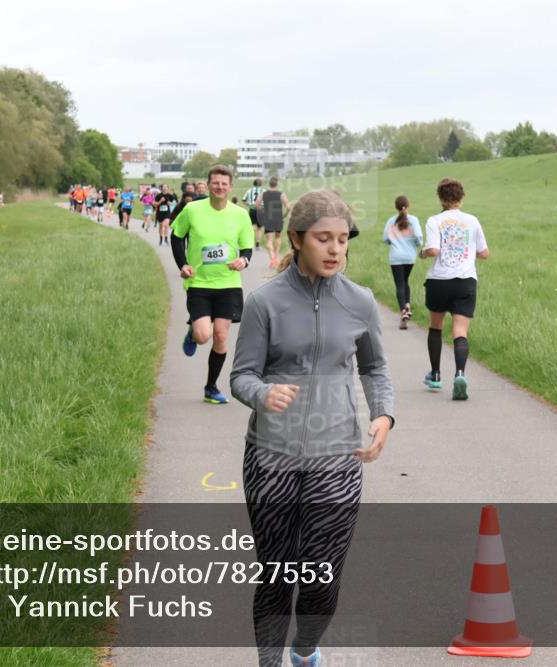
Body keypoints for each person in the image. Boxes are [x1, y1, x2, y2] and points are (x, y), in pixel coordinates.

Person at [230, 189, 395, 667]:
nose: (335, 249)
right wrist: (263, 394)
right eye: (324, 238)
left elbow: (375, 368)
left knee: (322, 578)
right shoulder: (264, 302)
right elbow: (241, 376)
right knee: (277, 575)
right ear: (297, 239)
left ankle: (304, 650)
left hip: (337, 457)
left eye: (342, 239)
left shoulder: (360, 302)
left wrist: (383, 414)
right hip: (271, 458)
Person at [171, 165, 253, 404]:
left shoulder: (240, 215)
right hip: (199, 282)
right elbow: (177, 237)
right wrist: (183, 264)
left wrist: (243, 260)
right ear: (208, 185)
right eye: (215, 183)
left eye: (224, 184)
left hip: (228, 283)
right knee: (203, 335)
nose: (219, 187)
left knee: (220, 335)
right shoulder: (192, 209)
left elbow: (247, 247)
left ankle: (211, 387)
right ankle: (193, 332)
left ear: (230, 187)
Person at [419, 178, 489, 399]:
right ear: (462, 197)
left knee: (436, 327)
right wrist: (468, 250)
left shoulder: (434, 220)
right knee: (460, 331)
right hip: (465, 281)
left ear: (440, 198)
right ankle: (460, 374)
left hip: (439, 281)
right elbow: (485, 253)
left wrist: (422, 253)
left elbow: (433, 250)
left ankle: (436, 375)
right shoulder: (472, 220)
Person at [382, 195, 423, 329]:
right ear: (408, 205)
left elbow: (385, 239)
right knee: (405, 281)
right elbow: (418, 237)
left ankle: (404, 311)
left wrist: (394, 241)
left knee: (400, 284)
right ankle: (407, 305)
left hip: (396, 257)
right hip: (410, 257)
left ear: (396, 207)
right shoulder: (414, 220)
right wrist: (415, 244)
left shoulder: (391, 221)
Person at [255, 176, 290, 267]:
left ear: (269, 184)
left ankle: (272, 258)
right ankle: (276, 257)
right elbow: (288, 207)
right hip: (278, 218)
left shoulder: (263, 194)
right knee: (278, 238)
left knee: (269, 240)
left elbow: (256, 204)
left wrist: (262, 209)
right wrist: (285, 215)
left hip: (268, 218)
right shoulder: (281, 194)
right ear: (277, 184)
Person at [242, 178, 265, 249]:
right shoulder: (263, 191)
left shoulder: (250, 190)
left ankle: (248, 241)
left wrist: (249, 205)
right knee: (259, 228)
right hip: (261, 210)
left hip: (252, 209)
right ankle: (257, 244)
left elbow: (243, 199)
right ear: (261, 184)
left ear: (254, 183)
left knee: (253, 226)